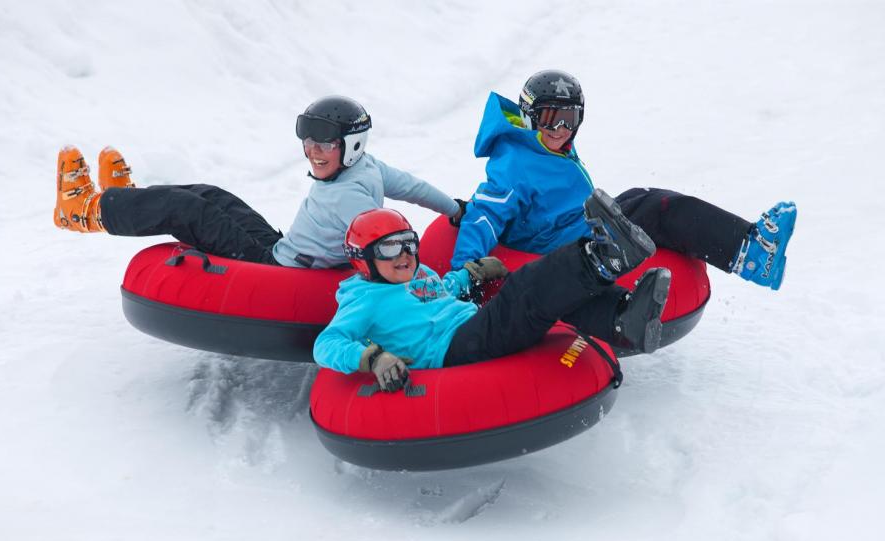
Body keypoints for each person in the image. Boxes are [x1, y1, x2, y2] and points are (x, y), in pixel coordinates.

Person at [451, 70, 797, 290]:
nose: (561, 130)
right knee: (655, 209)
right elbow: (485, 214)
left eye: (569, 119)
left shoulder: (542, 147)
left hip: (576, 226)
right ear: (529, 117)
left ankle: (746, 246)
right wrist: (463, 271)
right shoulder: (515, 163)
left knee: (638, 196)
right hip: (560, 247)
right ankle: (752, 254)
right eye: (550, 119)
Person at [54, 96, 465, 268]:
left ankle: (86, 211)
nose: (313, 152)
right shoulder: (368, 166)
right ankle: (123, 199)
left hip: (276, 269)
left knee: (187, 210)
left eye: (324, 144)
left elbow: (380, 243)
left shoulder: (351, 200)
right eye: (307, 142)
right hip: (278, 246)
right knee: (213, 196)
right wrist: (453, 208)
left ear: (351, 144)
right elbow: (411, 186)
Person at [314, 203, 670, 392]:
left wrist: (471, 274)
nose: (405, 254)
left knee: (549, 300)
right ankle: (601, 257)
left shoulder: (417, 274)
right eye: (391, 248)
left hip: (472, 324)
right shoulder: (364, 297)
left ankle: (622, 318)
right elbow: (326, 343)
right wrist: (373, 358)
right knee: (525, 291)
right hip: (453, 348)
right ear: (364, 258)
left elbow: (443, 291)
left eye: (409, 243)